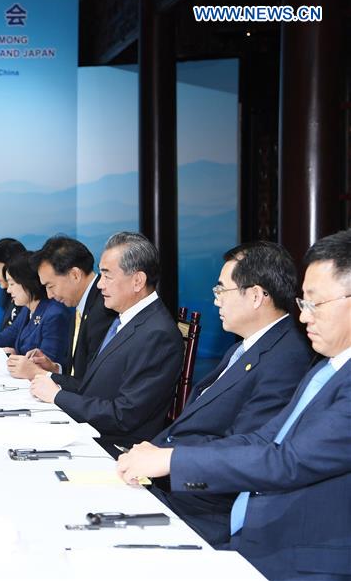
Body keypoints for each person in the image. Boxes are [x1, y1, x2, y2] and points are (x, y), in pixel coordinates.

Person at [117, 229, 351, 581]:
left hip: (296, 557)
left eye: (315, 303)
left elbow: (288, 461)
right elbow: (262, 440)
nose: (304, 318)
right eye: (303, 303)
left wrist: (173, 460)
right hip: (255, 533)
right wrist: (169, 459)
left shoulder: (310, 362)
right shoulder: (327, 366)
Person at [148, 241, 314, 545]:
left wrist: (168, 459)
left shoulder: (287, 358)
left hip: (207, 509)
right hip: (175, 484)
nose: (216, 302)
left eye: (221, 291)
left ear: (254, 296)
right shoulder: (245, 346)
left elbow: (247, 446)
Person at [30, 232, 183, 447]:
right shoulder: (126, 320)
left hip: (117, 448)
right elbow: (93, 386)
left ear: (137, 281)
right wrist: (51, 380)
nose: (100, 285)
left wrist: (58, 396)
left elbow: (125, 415)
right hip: (93, 431)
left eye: (107, 276)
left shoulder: (157, 335)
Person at [7, 236, 116, 380]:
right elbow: (79, 372)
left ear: (75, 275)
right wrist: (54, 368)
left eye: (50, 286)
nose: (49, 295)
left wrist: (40, 373)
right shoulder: (82, 305)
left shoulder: (104, 309)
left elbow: (92, 385)